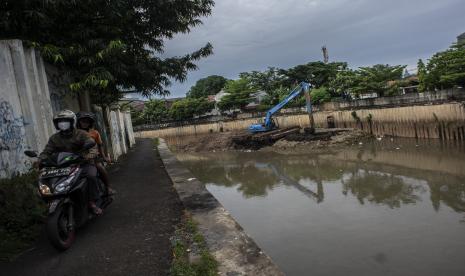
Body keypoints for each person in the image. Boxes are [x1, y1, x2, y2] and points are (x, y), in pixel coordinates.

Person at [39, 110, 103, 215]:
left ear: (72, 122)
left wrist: (87, 157)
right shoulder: (54, 138)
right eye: (60, 122)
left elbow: (93, 148)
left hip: (82, 164)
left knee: (91, 176)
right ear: (56, 124)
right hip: (63, 166)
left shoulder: (82, 134)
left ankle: (92, 203)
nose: (63, 124)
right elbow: (47, 151)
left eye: (65, 121)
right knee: (49, 181)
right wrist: (40, 159)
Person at [76, 111, 115, 195]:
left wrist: (104, 157)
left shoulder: (95, 132)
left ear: (90, 123)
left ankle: (108, 187)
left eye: (87, 121)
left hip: (93, 157)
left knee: (101, 169)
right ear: (78, 122)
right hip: (78, 158)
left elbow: (100, 145)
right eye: (83, 121)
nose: (85, 123)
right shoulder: (75, 133)